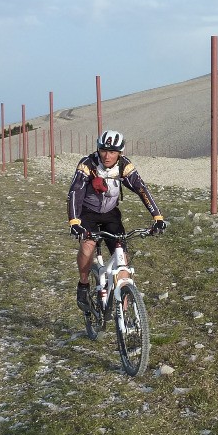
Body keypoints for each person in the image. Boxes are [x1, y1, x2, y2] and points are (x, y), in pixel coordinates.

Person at [68, 129, 166, 311]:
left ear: (120, 153)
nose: (107, 156)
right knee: (88, 245)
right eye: (104, 150)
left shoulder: (124, 165)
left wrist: (157, 217)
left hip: (110, 214)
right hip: (87, 213)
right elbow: (75, 192)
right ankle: (83, 285)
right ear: (98, 149)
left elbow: (141, 189)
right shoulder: (87, 164)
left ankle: (126, 312)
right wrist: (74, 222)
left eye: (112, 152)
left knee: (121, 256)